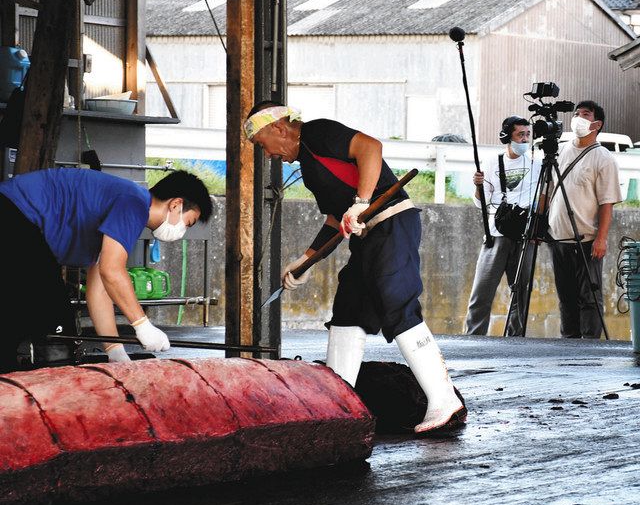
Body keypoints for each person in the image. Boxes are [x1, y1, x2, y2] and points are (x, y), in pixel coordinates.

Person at [244, 101, 466, 434]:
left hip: (391, 222)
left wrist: (361, 201)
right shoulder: (308, 168)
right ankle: (339, 405)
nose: (268, 154)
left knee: (396, 301)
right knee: (348, 309)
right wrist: (306, 260)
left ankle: (443, 400)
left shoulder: (317, 132)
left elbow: (370, 148)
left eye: (263, 144)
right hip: (368, 234)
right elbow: (335, 219)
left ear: (278, 127)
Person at [0, 168, 212, 371]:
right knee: (55, 323)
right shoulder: (134, 203)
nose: (182, 232)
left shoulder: (126, 208)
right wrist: (142, 325)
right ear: (176, 205)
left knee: (18, 317)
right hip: (13, 213)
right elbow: (112, 271)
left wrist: (115, 351)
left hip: (16, 218)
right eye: (189, 223)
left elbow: (100, 290)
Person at [547, 101, 622, 338]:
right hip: (557, 238)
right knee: (565, 298)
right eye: (577, 114)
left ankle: (590, 348)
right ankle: (568, 344)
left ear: (597, 124)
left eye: (585, 114)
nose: (578, 118)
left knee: (589, 298)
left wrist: (601, 239)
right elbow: (547, 190)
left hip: (586, 239)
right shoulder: (560, 149)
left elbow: (606, 203)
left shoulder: (604, 158)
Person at [465, 116, 541, 336]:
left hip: (524, 234)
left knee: (521, 293)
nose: (525, 139)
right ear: (507, 136)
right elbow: (481, 202)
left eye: (528, 134)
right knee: (481, 292)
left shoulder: (536, 164)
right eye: (520, 135)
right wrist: (477, 186)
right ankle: (474, 337)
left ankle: (515, 338)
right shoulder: (491, 163)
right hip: (496, 233)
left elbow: (543, 197)